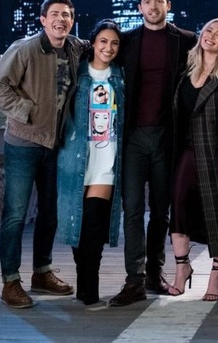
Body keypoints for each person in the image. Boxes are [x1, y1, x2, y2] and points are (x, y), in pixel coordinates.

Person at [0, 0, 83, 309]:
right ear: (42, 20)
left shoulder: (77, 49)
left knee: (50, 212)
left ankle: (42, 272)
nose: (61, 19)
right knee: (15, 214)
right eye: (54, 14)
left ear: (72, 19)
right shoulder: (25, 49)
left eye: (66, 14)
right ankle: (10, 283)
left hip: (57, 145)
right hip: (24, 143)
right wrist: (24, 109)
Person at [109, 0, 197, 306]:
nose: (153, 7)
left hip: (167, 137)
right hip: (132, 137)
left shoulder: (187, 41)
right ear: (139, 7)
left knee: (160, 210)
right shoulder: (127, 42)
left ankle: (153, 274)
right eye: (147, 1)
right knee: (132, 209)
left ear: (168, 5)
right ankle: (133, 280)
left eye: (159, 1)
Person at [167, 18, 218, 302]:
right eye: (208, 31)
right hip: (185, 150)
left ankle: (216, 274)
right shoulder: (186, 69)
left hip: (214, 151)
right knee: (178, 205)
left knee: (217, 213)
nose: (211, 37)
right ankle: (182, 268)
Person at [57, 19, 125, 306]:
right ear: (93, 44)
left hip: (106, 160)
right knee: (77, 224)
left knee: (94, 225)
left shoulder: (121, 77)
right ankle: (83, 278)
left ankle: (89, 288)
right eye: (103, 41)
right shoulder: (77, 75)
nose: (108, 48)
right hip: (74, 158)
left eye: (114, 43)